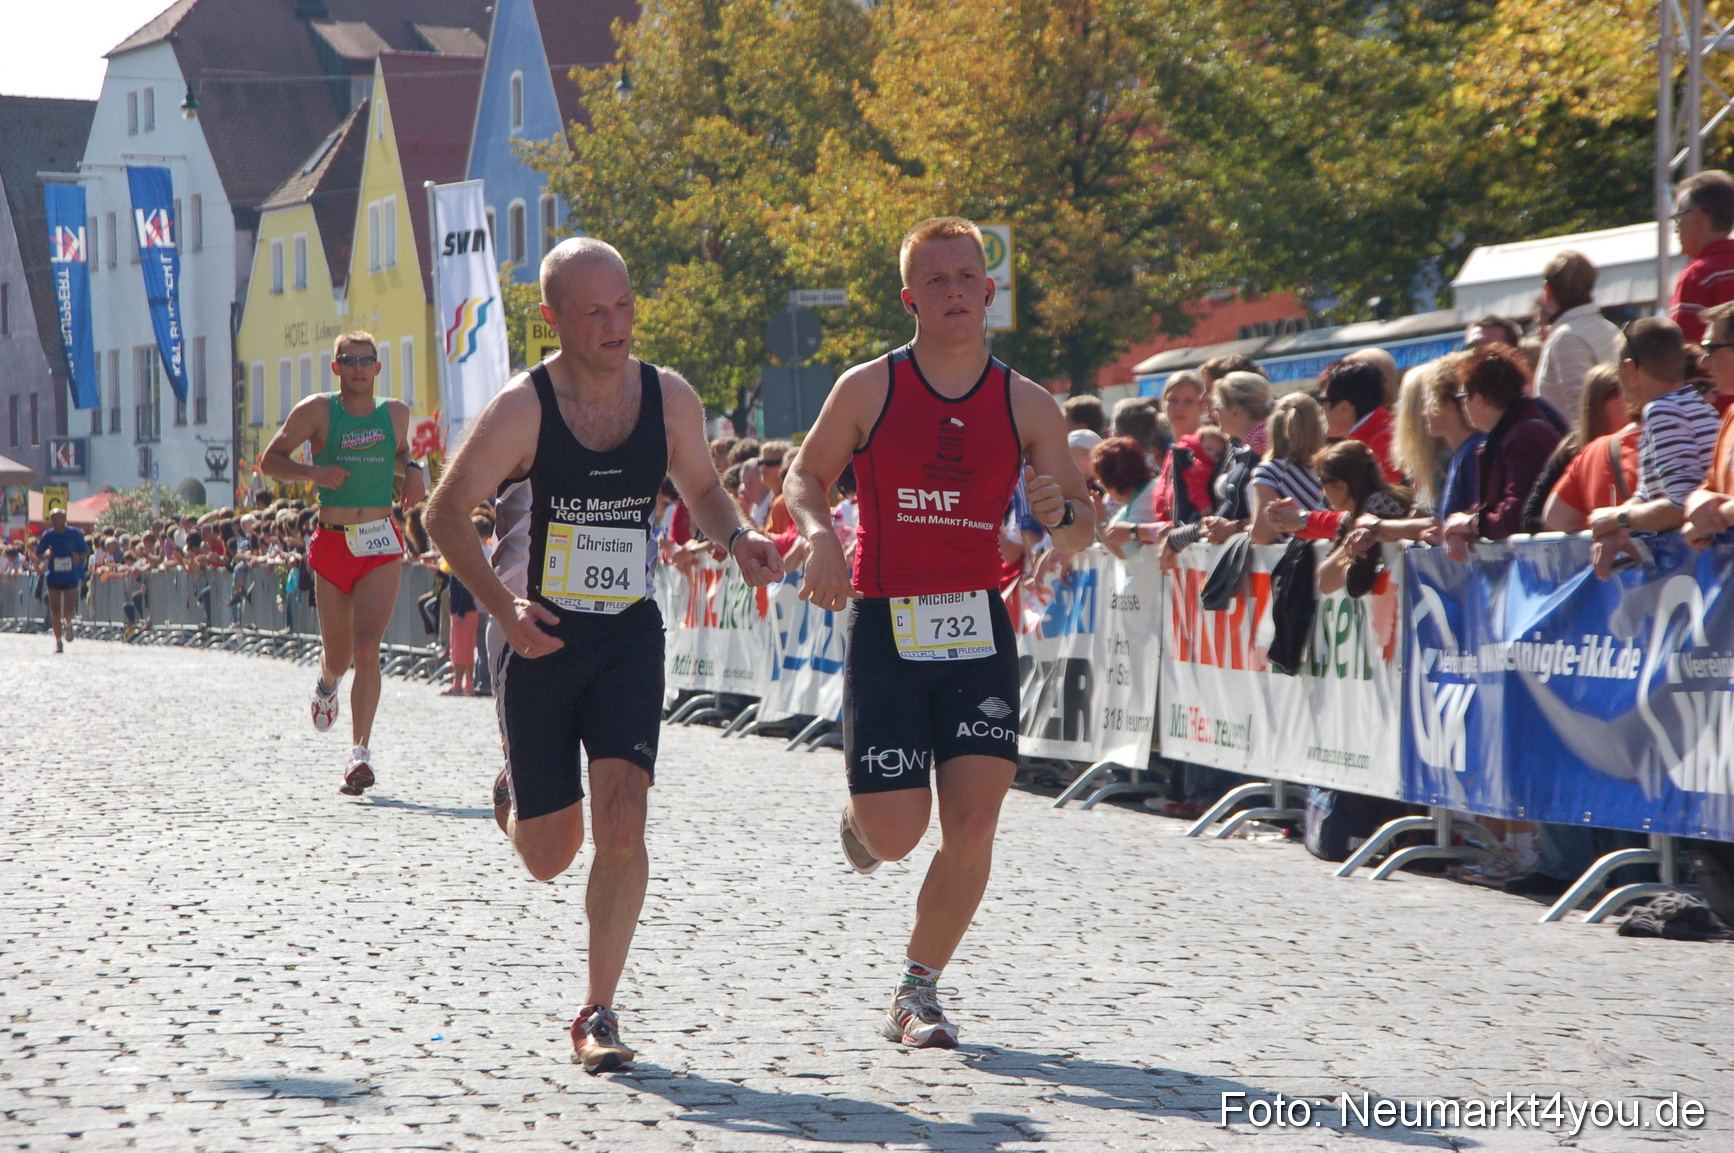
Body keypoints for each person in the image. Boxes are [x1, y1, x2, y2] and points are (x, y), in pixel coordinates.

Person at [424, 237, 783, 1074]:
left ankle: (598, 1008)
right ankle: (517, 791)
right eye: (593, 311)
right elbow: (444, 515)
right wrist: (503, 606)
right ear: (551, 318)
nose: (614, 323)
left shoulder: (668, 397)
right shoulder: (524, 408)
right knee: (550, 854)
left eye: (623, 304)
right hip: (537, 635)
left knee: (623, 817)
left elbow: (699, 484)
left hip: (627, 631)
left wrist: (739, 537)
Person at [784, 216, 1093, 1050]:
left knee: (977, 821)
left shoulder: (1028, 404)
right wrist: (819, 536)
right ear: (910, 297)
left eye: (968, 278)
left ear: (988, 292)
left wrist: (1065, 516)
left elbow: (1077, 533)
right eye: (938, 279)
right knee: (894, 834)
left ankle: (917, 989)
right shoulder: (869, 387)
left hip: (976, 627)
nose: (955, 291)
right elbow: (803, 476)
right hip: (887, 622)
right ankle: (861, 821)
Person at [261, 331, 425, 796]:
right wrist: (313, 472)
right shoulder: (317, 410)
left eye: (366, 360)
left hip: (378, 541)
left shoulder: (395, 413)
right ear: (336, 368)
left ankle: (359, 754)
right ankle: (328, 680)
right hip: (333, 543)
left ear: (377, 367)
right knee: (340, 654)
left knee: (368, 647)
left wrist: (412, 470)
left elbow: (395, 456)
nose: (358, 367)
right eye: (348, 360)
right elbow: (270, 460)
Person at [1588, 317, 1721, 578]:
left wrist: (1617, 519)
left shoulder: (1662, 411)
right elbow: (1648, 496)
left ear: (1630, 368)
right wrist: (1617, 519)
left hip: (1701, 570)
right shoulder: (1698, 405)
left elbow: (1680, 505)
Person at [1441, 346, 1562, 558]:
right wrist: (1463, 524)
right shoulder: (1513, 430)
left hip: (1546, 565)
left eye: (1463, 396)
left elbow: (1515, 515)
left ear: (1478, 399)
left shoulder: (1525, 435)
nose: (1463, 405)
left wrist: (1471, 524)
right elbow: (1497, 506)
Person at [1165, 371, 1272, 551]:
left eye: (1217, 407)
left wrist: (1235, 527)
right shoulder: (1243, 447)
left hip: (1258, 559)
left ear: (1235, 410)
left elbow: (1275, 513)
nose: (1214, 413)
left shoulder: (1265, 445)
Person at [1537, 366, 1636, 533]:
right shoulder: (1573, 451)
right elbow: (1536, 517)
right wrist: (1595, 524)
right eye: (1625, 404)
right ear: (1599, 407)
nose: (1632, 408)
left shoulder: (1643, 438)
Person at [1534, 250, 1620, 424]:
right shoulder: (1609, 328)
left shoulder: (1567, 337)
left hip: (1586, 448)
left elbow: (1581, 412)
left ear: (1547, 290)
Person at [1247, 392, 1328, 545]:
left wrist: (1245, 531)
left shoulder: (1270, 472)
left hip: (1295, 561)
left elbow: (1263, 535)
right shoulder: (1331, 466)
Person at [1669, 169, 1734, 344]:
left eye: (1678, 218)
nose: (1676, 228)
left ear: (1698, 218)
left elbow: (1683, 349)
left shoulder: (1699, 275)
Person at [1318, 358, 1399, 481]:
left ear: (1344, 407)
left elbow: (1391, 498)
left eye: (1323, 401)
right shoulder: (1376, 435)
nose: (1321, 410)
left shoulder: (1383, 441)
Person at [35, 507, 89, 653]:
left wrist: (78, 556)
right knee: (55, 609)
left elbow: (86, 551)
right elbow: (38, 554)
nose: (57, 520)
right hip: (54, 575)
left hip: (71, 575)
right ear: (51, 520)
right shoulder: (48, 535)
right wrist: (45, 554)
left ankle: (69, 623)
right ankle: (58, 641)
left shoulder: (75, 533)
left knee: (69, 608)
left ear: (65, 519)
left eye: (59, 517)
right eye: (54, 518)